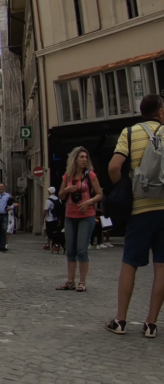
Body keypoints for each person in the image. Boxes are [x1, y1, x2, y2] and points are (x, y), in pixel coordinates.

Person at [106, 94, 164, 337]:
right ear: (160, 111)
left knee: (130, 264)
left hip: (140, 210)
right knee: (161, 267)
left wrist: (124, 189)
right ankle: (151, 323)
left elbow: (113, 167)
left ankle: (120, 320)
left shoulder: (129, 133)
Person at [55, 146, 103, 292]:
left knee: (82, 250)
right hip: (70, 216)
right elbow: (60, 196)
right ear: (75, 159)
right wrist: (66, 190)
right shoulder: (67, 176)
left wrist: (88, 202)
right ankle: (70, 281)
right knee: (70, 249)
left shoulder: (90, 175)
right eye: (81, 157)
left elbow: (100, 194)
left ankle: (82, 281)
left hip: (86, 216)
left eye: (85, 157)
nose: (84, 160)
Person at [44, 187, 65, 253]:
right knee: (56, 232)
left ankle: (54, 245)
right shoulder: (59, 199)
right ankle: (53, 244)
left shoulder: (48, 200)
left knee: (50, 233)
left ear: (49, 192)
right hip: (56, 219)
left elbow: (46, 210)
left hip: (49, 219)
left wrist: (42, 218)